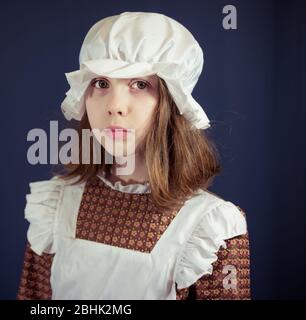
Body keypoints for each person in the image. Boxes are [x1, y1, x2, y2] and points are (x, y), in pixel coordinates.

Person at [17, 11, 250, 300]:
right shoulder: (55, 207)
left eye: (139, 84)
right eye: (101, 83)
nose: (115, 106)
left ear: (171, 101)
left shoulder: (210, 226)